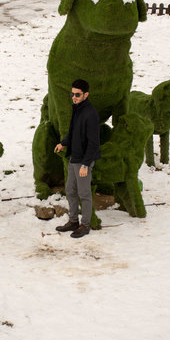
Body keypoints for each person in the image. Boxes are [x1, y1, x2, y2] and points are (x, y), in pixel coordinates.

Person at [54, 79, 101, 238]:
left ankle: (85, 225)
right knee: (70, 190)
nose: (74, 97)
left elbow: (94, 143)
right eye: (72, 94)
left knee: (84, 193)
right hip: (75, 157)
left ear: (86, 95)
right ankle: (73, 221)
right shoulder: (77, 109)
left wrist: (86, 165)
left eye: (77, 94)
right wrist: (63, 143)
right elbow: (73, 132)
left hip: (84, 160)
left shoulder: (90, 113)